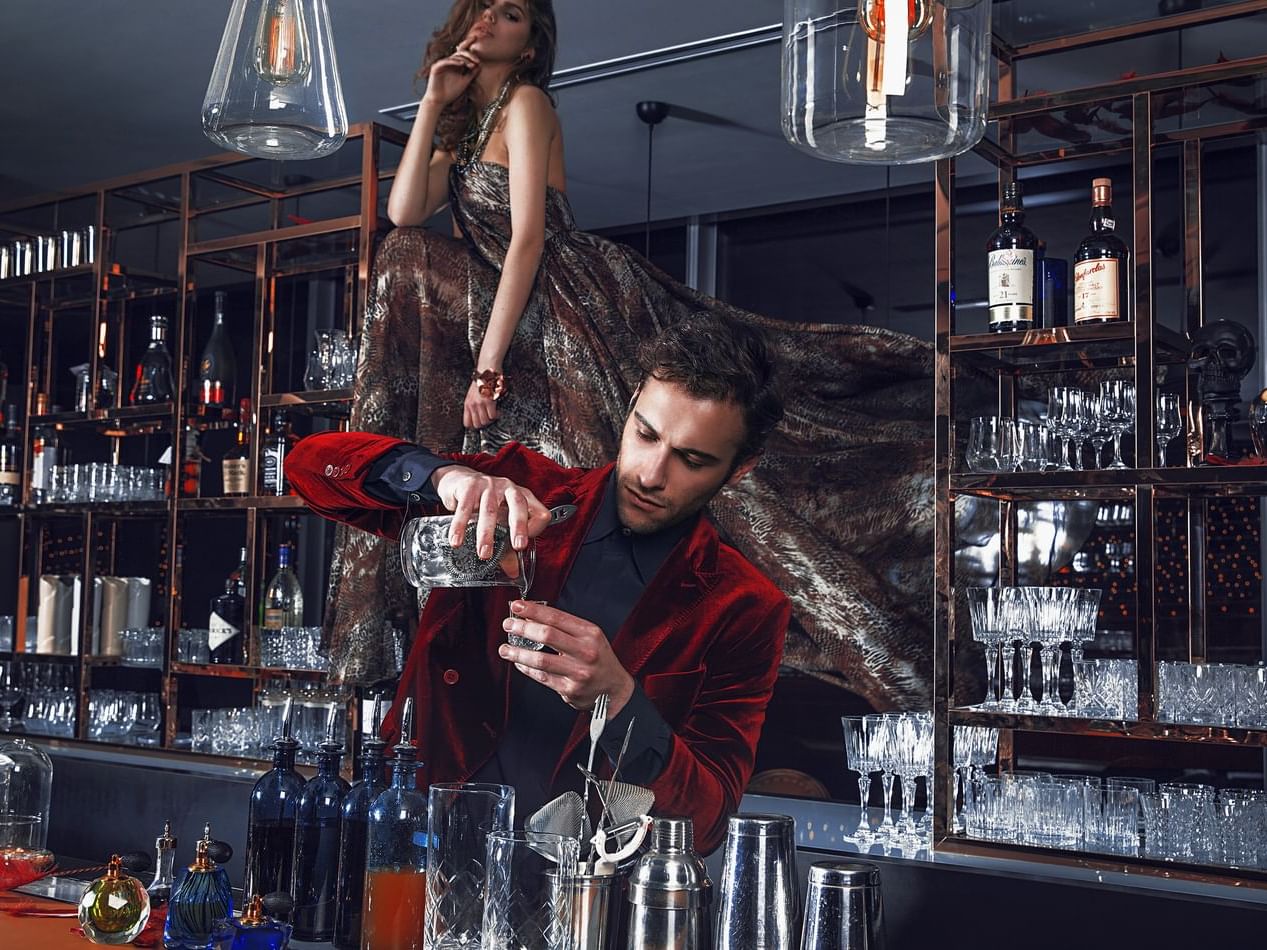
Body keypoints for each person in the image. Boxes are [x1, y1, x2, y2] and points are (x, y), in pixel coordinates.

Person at [323, 0, 936, 718]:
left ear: (529, 45)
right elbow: (403, 214)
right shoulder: (465, 122)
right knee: (403, 252)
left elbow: (526, 240)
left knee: (608, 448)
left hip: (558, 283)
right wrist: (431, 102)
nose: (490, 18)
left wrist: (486, 368)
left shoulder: (526, 101)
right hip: (493, 291)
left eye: (512, 13)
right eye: (482, 6)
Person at [290, 314, 792, 853]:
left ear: (739, 469)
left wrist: (621, 702)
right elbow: (308, 467)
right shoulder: (522, 492)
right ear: (629, 412)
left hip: (574, 901)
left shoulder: (745, 607)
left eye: (691, 459)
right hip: (411, 848)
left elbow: (708, 824)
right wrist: (443, 476)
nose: (650, 473)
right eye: (645, 434)